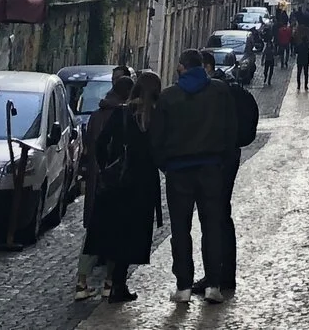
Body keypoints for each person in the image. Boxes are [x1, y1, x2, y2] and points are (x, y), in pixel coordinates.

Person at [151, 50, 245, 302]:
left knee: (180, 229)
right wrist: (222, 161)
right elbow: (230, 129)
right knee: (212, 226)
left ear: (181, 67)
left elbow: (156, 139)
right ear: (202, 68)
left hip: (178, 171)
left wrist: (167, 165)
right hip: (211, 168)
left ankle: (183, 286)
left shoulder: (168, 97)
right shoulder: (219, 92)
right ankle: (213, 284)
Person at [77, 69, 158, 305]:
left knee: (103, 232)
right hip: (140, 186)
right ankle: (114, 284)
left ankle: (106, 284)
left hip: (116, 185)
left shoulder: (123, 114)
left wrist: (106, 169)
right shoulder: (154, 117)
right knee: (126, 235)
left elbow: (100, 144)